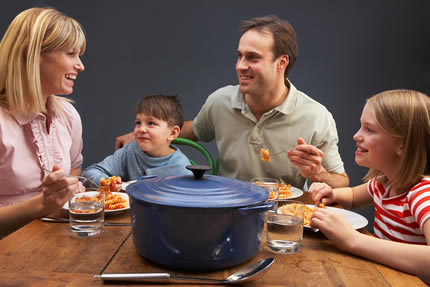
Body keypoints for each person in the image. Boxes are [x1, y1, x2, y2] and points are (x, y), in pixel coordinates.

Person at [116, 15, 349, 189]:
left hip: (281, 220)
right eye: (239, 56)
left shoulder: (316, 116)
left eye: (253, 58)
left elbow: (341, 182)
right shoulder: (220, 101)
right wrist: (140, 134)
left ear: (281, 62)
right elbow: (194, 131)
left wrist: (319, 174)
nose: (240, 66)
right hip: (225, 209)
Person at [309, 90, 430, 283]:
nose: (357, 135)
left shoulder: (422, 195)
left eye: (370, 129)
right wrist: (332, 193)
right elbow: (354, 196)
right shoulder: (384, 183)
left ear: (402, 145)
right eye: (361, 127)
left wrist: (354, 240)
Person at [0, 7, 86, 233]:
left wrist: (66, 186)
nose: (80, 65)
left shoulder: (68, 116)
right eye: (71, 54)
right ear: (32, 54)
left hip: (54, 242)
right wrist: (42, 204)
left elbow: (75, 169)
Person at [82, 95, 192, 184]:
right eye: (138, 123)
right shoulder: (129, 151)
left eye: (151, 123)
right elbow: (90, 172)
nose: (142, 129)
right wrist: (106, 182)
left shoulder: (182, 169)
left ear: (172, 133)